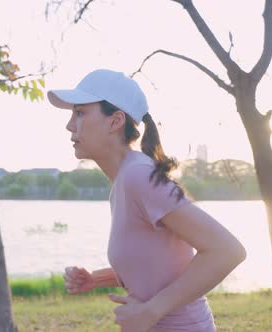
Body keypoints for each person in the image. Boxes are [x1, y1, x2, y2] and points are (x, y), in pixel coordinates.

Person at [47, 69, 247, 332]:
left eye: (80, 113)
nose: (70, 124)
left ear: (115, 120)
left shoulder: (138, 176)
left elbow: (228, 250)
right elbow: (160, 265)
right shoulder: (125, 179)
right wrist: (96, 279)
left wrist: (151, 311)